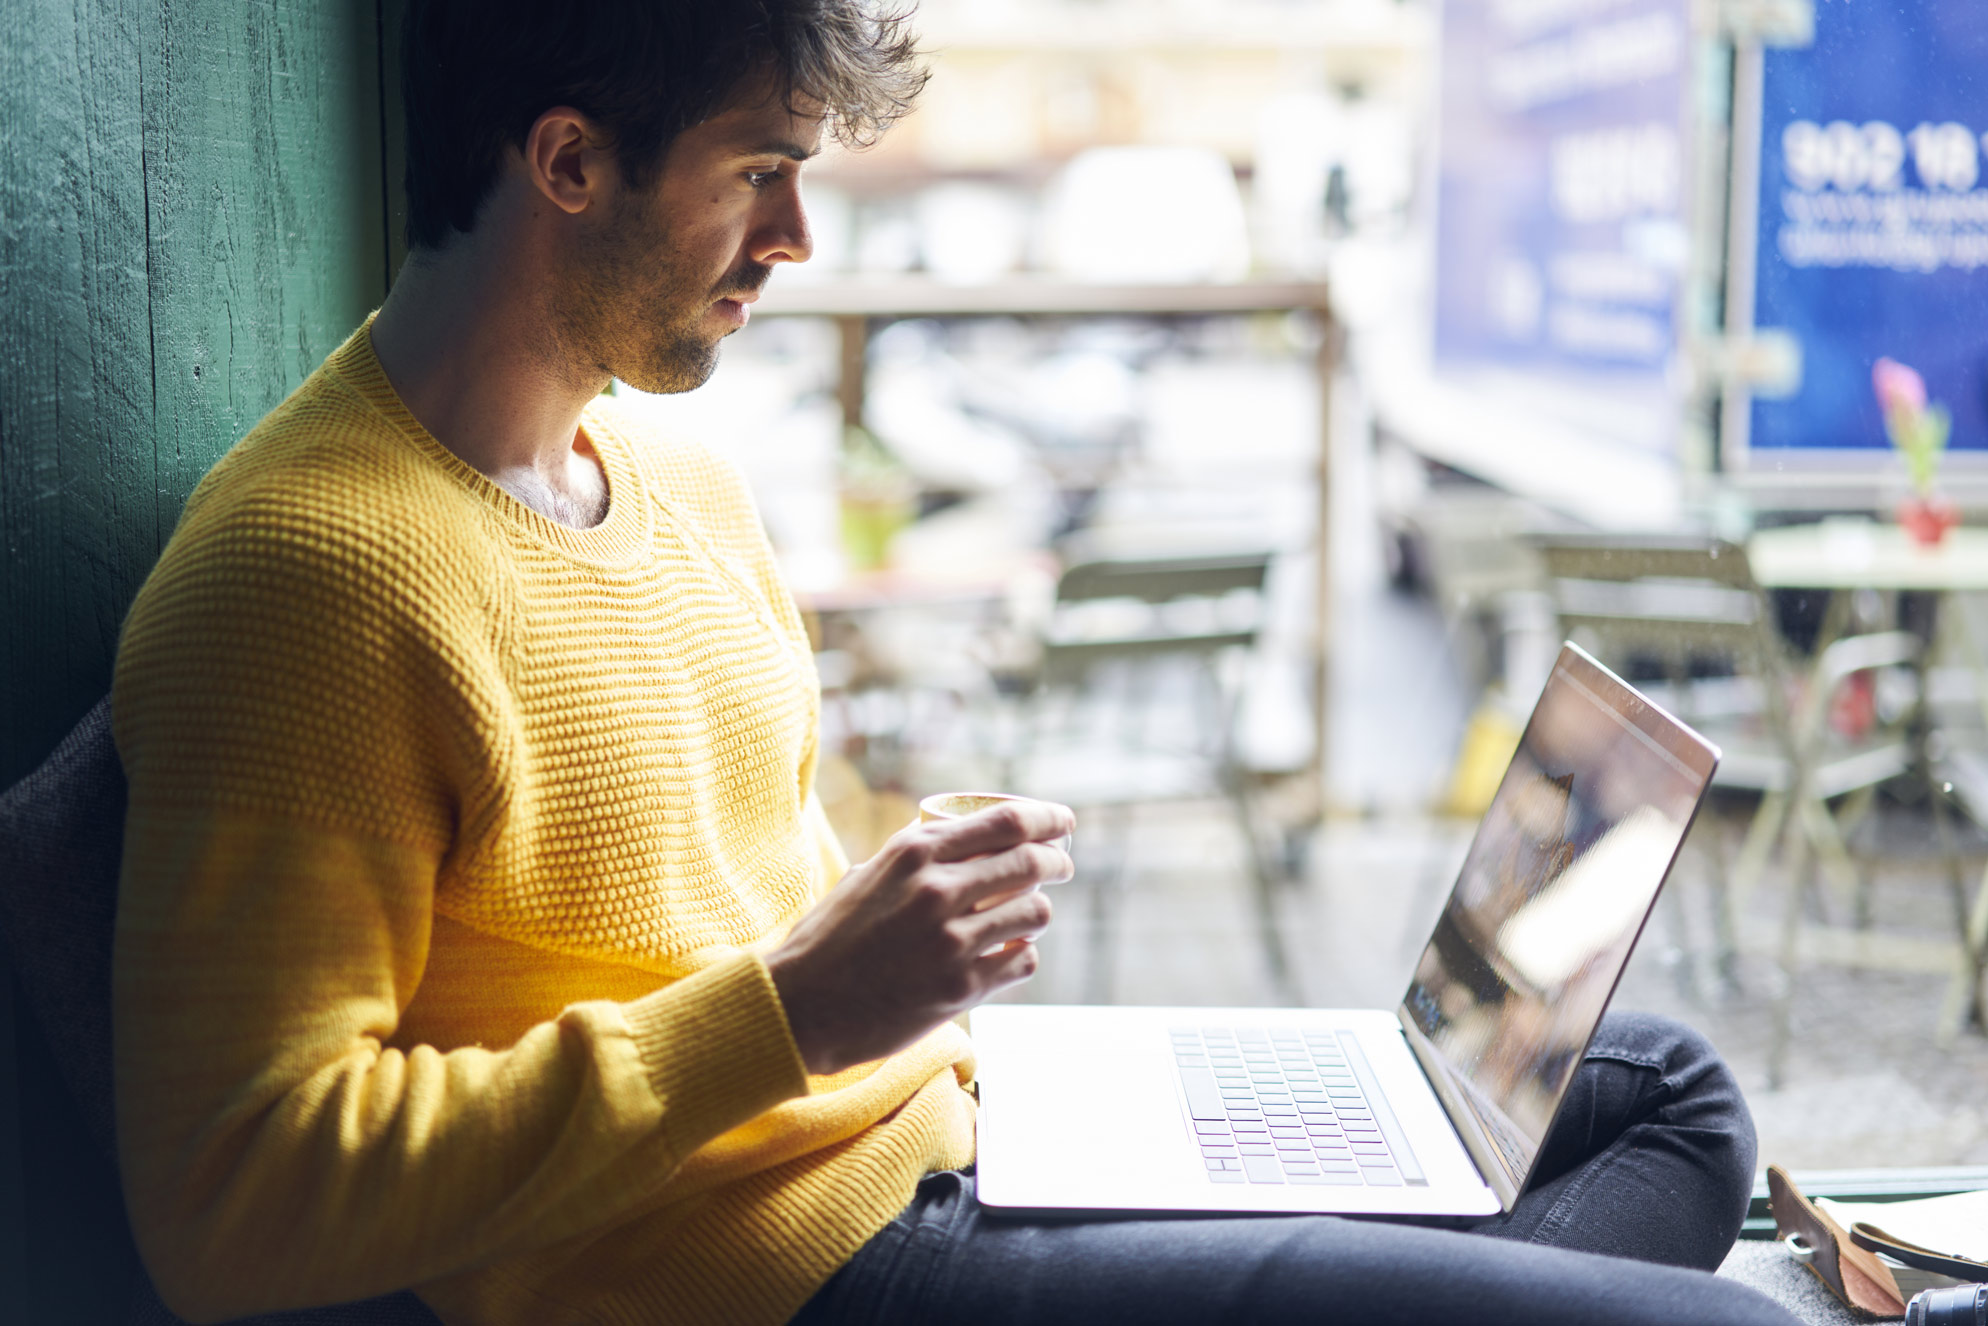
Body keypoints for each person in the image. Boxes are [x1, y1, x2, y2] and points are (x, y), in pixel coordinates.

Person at [108, 3, 1800, 1324]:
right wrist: (790, 1011)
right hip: (809, 1280)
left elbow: (738, 916)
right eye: (760, 170)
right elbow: (229, 1198)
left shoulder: (673, 476)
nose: (798, 240)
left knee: (1671, 1098)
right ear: (568, 161)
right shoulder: (307, 575)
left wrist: (912, 960)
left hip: (964, 1124)